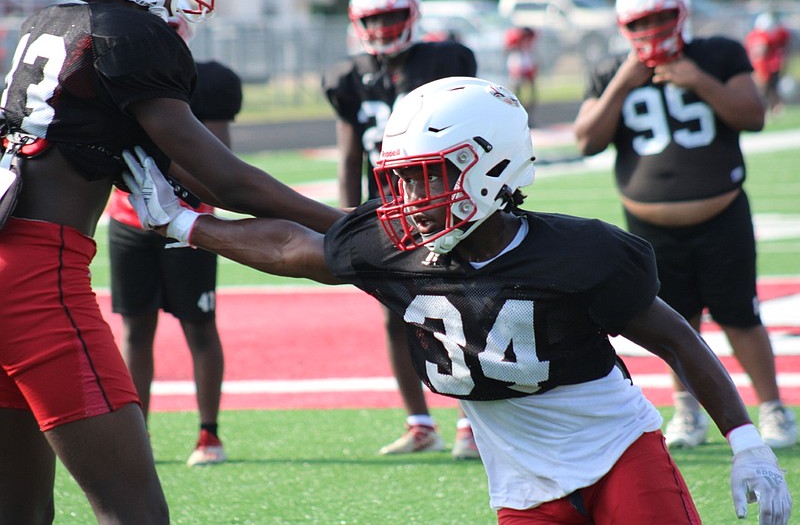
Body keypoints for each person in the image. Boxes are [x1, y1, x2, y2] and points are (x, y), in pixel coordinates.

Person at [123, 76, 792, 525]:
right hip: (520, 478)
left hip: (617, 449)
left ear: (494, 166)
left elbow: (678, 338)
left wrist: (745, 441)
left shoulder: (578, 253)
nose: (412, 202)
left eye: (428, 179)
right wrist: (185, 225)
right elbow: (295, 248)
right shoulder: (397, 247)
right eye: (403, 182)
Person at [0, 0, 340, 521]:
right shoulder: (130, 33)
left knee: (18, 510)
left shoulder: (49, 20)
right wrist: (348, 221)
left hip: (9, 257)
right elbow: (224, 179)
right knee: (134, 512)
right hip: (40, 279)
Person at [573, 0, 797, 450]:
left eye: (661, 16)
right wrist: (621, 83)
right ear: (623, 26)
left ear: (681, 14)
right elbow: (586, 141)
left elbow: (752, 115)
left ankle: (774, 408)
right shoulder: (611, 70)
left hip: (721, 215)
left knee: (741, 315)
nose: (652, 28)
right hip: (649, 224)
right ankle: (687, 412)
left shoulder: (717, 53)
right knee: (674, 321)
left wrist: (698, 81)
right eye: (641, 21)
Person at [322, 0, 480, 458]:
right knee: (394, 315)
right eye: (373, 17)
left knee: (464, 311)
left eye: (392, 14)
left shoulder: (445, 59)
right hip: (390, 209)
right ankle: (419, 423)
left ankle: (471, 421)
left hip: (446, 201)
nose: (383, 26)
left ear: (412, 13)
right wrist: (346, 218)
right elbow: (350, 152)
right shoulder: (348, 76)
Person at [106, 11, 242, 467]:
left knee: (199, 326)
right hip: (129, 219)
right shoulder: (112, 76)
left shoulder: (208, 82)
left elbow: (217, 166)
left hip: (191, 221)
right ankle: (137, 433)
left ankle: (209, 432)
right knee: (136, 328)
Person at [745, 11, 791, 116]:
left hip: (757, 65)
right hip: (765, 66)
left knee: (765, 89)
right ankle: (771, 109)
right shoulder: (766, 37)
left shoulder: (752, 36)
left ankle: (771, 109)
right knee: (766, 90)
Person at [504, 26, 538, 121]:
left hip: (527, 62)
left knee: (531, 90)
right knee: (516, 90)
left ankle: (529, 114)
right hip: (517, 63)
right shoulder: (514, 39)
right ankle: (517, 113)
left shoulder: (530, 37)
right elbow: (507, 49)